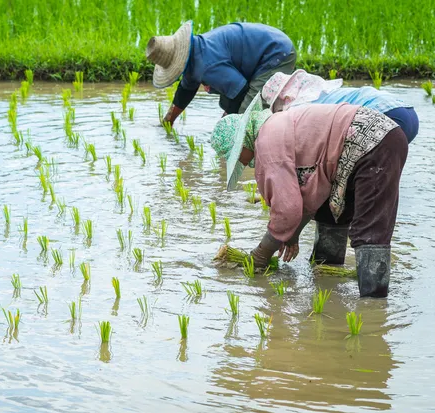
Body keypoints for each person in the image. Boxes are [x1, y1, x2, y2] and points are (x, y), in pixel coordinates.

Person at [210, 93, 408, 297]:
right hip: (376, 140)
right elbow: (308, 195)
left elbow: (287, 210)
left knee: (370, 230)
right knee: (330, 212)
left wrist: (261, 255)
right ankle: (329, 276)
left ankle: (373, 306)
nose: (240, 163)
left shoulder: (266, 142)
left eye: (234, 156)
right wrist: (292, 234)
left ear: (242, 143)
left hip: (373, 144)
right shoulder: (276, 126)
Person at [145, 21, 296, 125]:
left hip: (276, 53)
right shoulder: (196, 51)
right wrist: (167, 122)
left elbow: (240, 92)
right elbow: (185, 92)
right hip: (259, 54)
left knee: (248, 115)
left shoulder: (207, 65)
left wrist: (224, 125)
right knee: (228, 101)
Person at [262, 69, 419, 143]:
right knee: (382, 173)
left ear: (284, 98)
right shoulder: (324, 93)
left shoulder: (300, 109)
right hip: (408, 113)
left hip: (383, 116)